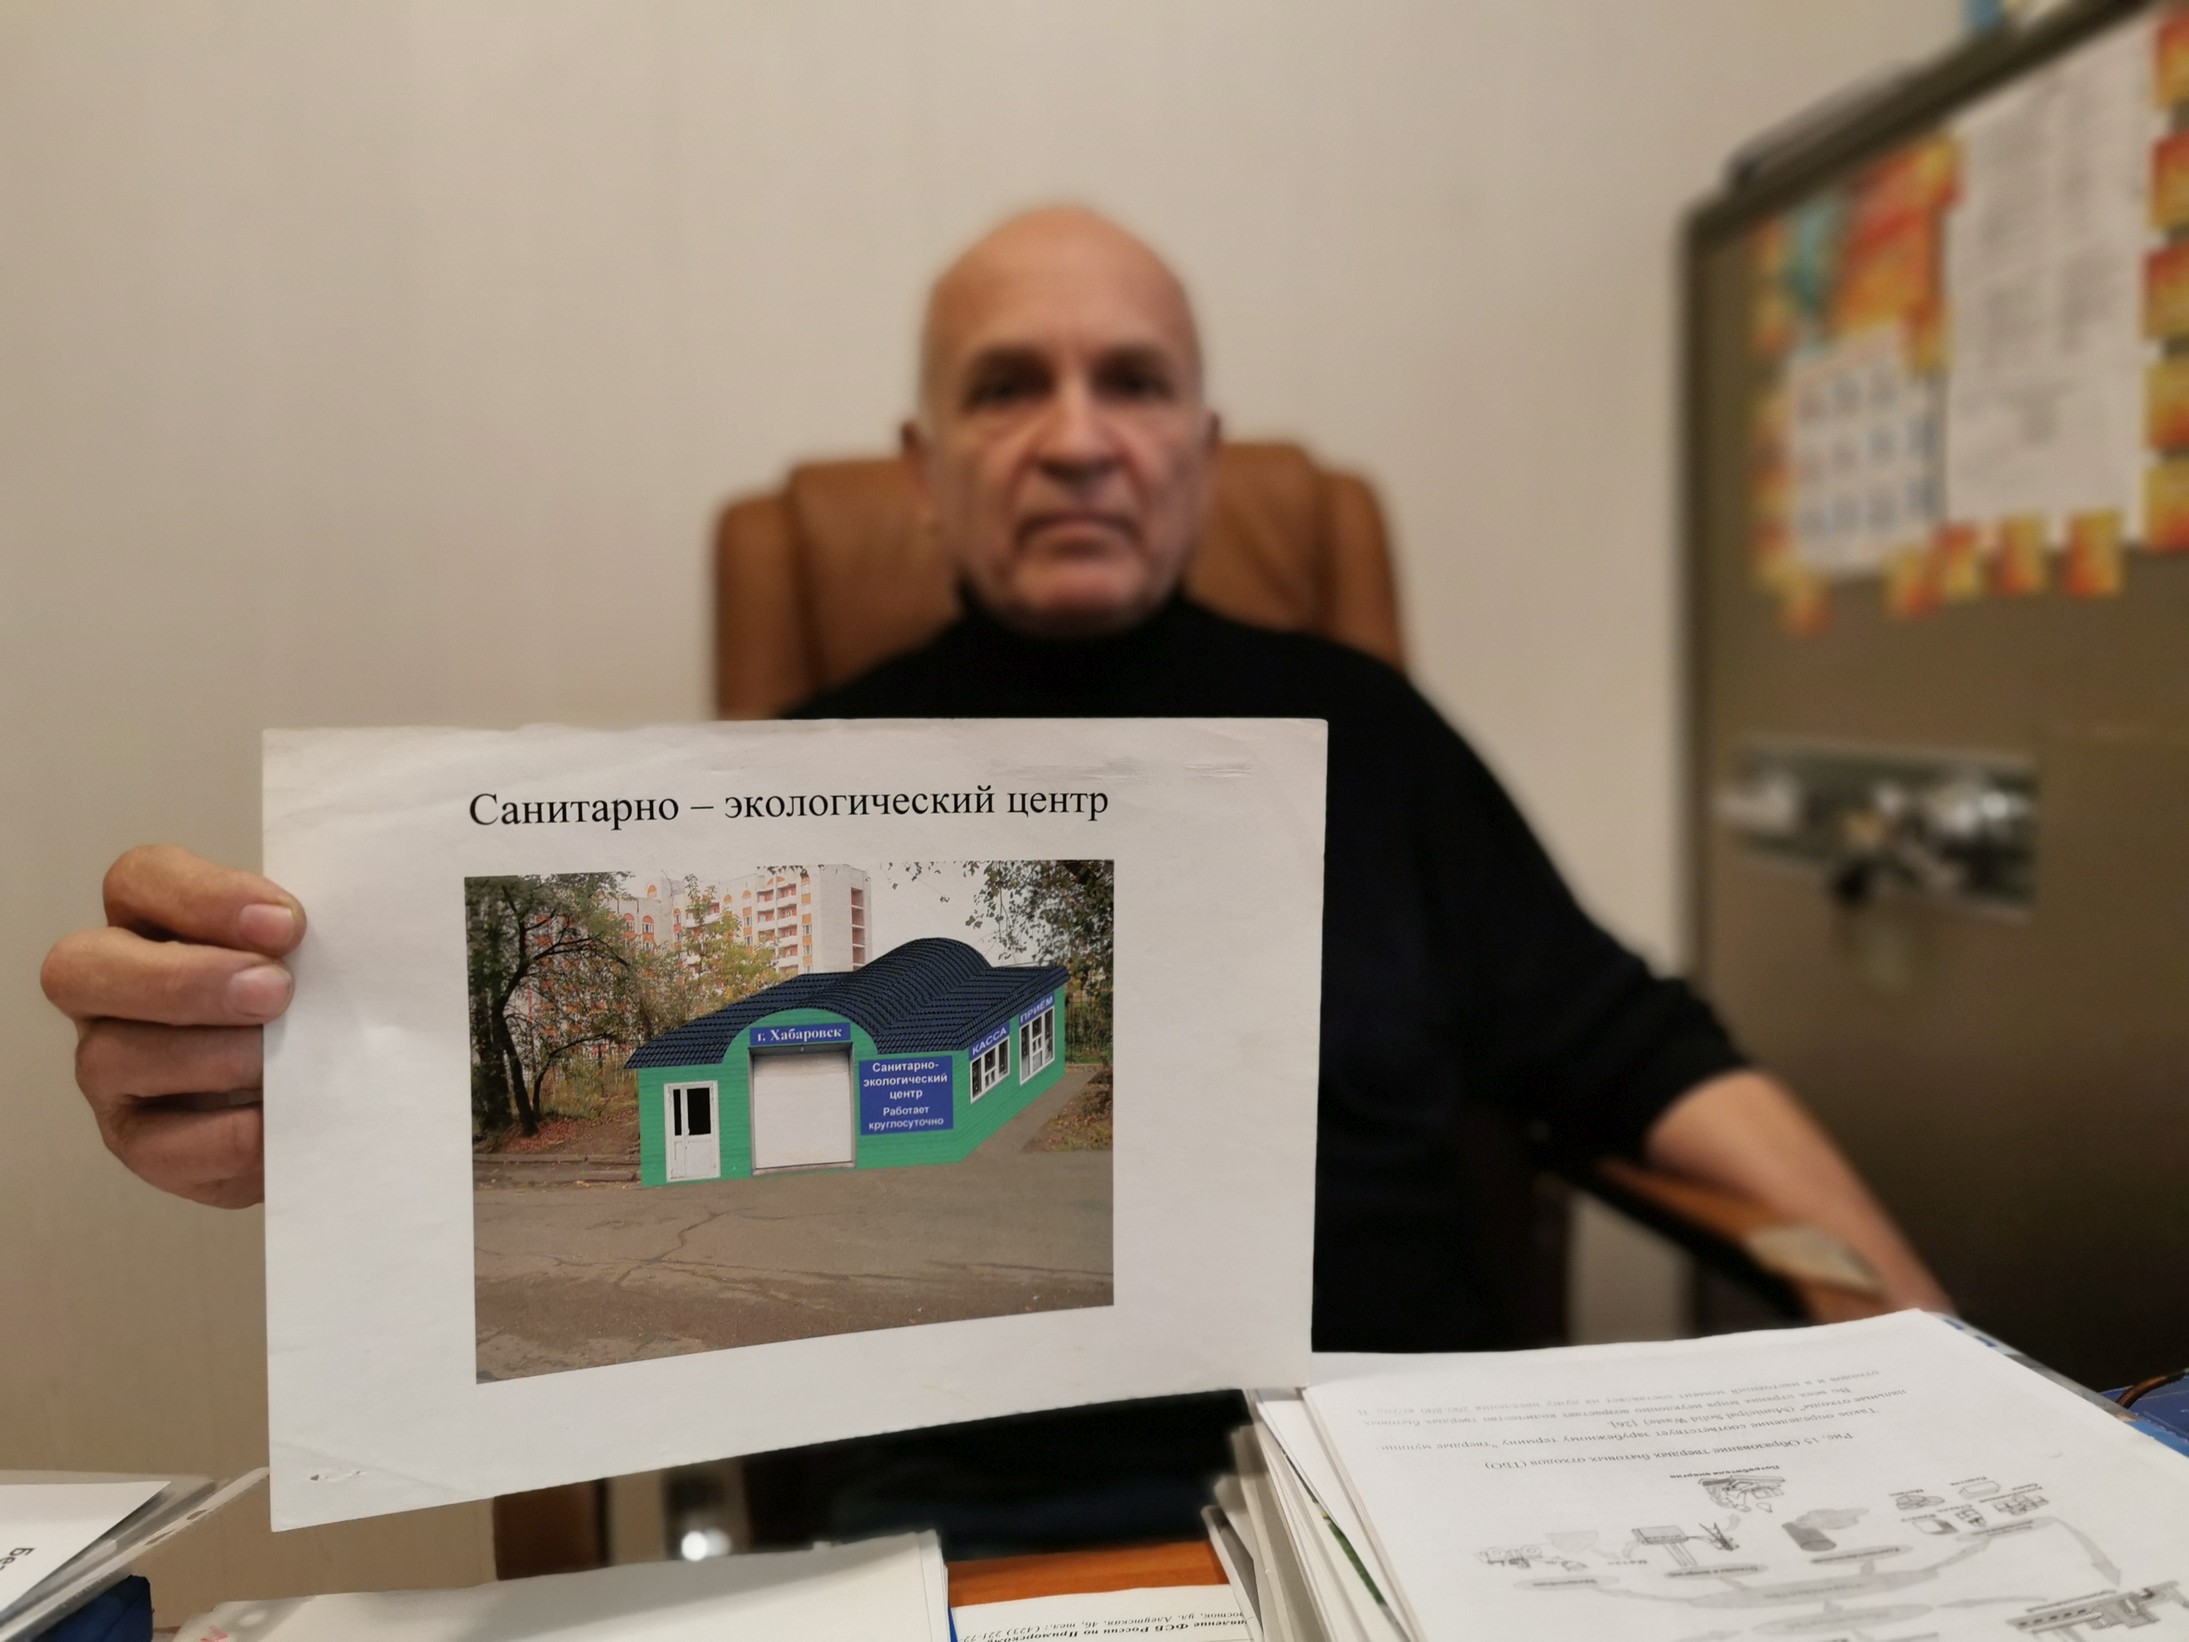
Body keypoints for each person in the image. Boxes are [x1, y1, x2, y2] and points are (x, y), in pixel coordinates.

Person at [42, 203, 1945, 1549]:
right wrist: (306, 1095)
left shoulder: (1371, 733)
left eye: (1135, 383)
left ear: (1201, 448)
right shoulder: (792, 785)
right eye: (1006, 386)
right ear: (924, 464)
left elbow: (1641, 1051)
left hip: (1411, 1496)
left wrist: (1924, 1344)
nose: (1077, 436)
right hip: (960, 1534)